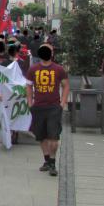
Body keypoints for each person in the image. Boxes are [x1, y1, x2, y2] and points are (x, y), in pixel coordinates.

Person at [25, 44, 69, 177]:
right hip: (38, 107)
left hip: (54, 107)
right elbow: (28, 86)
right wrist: (30, 102)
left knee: (53, 136)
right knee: (41, 135)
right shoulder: (33, 70)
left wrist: (62, 103)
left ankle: (53, 161)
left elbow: (66, 85)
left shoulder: (59, 69)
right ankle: (46, 160)